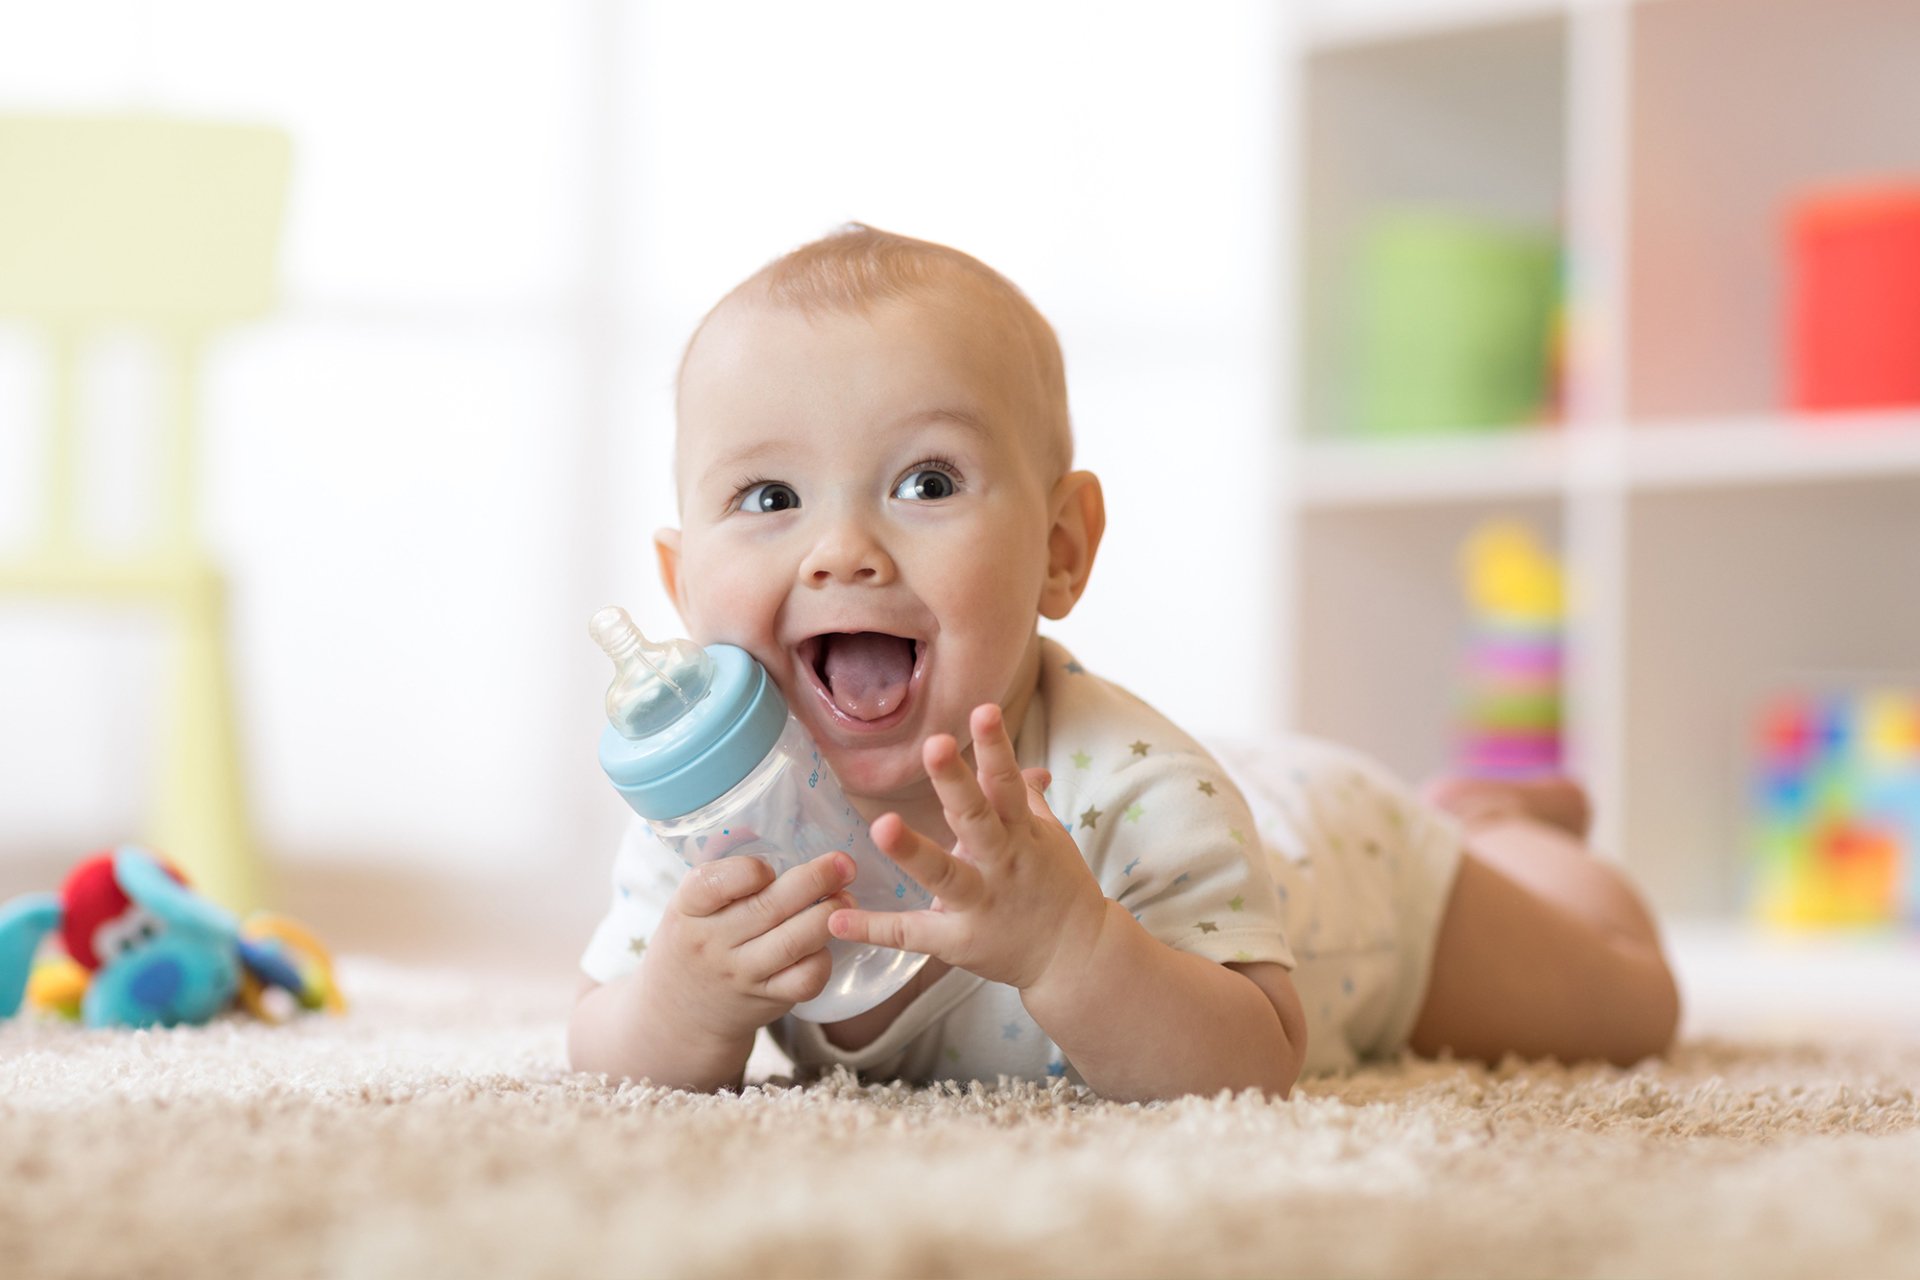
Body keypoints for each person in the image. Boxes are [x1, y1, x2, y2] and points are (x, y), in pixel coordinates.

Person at [567, 224, 1680, 1102]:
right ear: (680, 584)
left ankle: (1495, 828)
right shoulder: (720, 817)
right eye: (768, 499)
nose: (843, 551)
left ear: (1061, 550)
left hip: (1342, 869)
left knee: (1629, 1004)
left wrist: (1074, 945)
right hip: (1248, 803)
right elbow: (605, 1034)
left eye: (927, 482)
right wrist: (680, 1000)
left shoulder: (1132, 788)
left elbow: (1253, 1060)